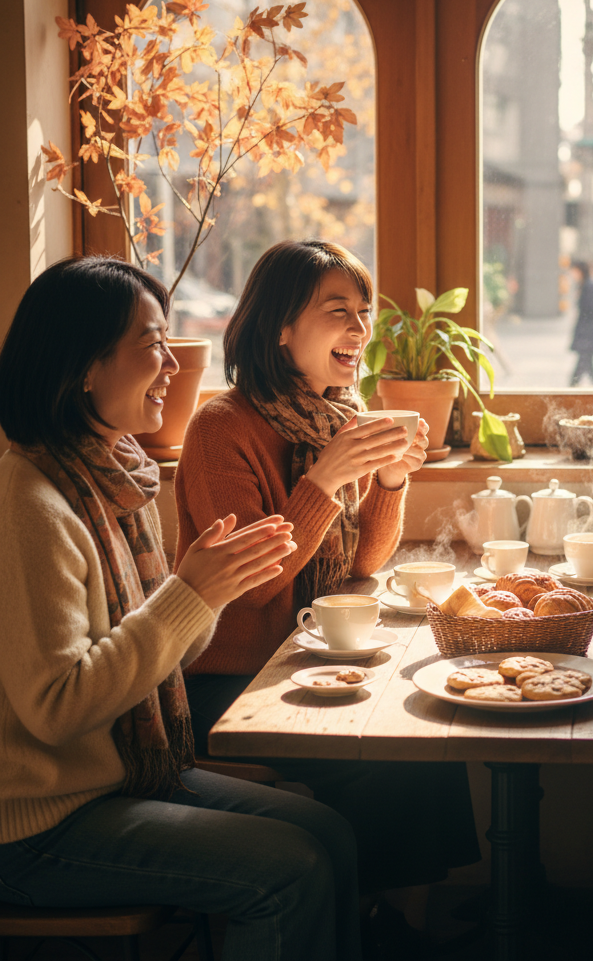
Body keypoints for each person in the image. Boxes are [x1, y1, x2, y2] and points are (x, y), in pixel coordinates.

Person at [0, 256, 362, 961]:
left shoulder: (110, 480)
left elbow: (156, 647)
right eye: (152, 343)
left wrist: (206, 595)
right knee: (290, 868)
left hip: (124, 775)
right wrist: (190, 594)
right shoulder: (31, 503)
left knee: (330, 833)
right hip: (42, 824)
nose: (172, 362)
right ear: (84, 366)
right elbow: (57, 709)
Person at [174, 239, 480, 937]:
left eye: (364, 313)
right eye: (338, 311)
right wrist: (323, 482)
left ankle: (400, 919)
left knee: (429, 735)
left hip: (312, 660)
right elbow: (252, 589)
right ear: (281, 327)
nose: (360, 328)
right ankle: (372, 921)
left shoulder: (337, 417)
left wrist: (393, 479)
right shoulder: (222, 429)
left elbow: (363, 564)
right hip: (234, 685)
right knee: (395, 756)